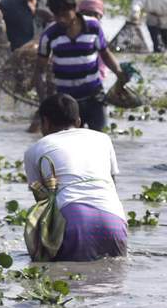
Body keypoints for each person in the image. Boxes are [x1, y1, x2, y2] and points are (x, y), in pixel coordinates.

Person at [22, 92, 128, 261]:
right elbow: (112, 185)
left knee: (67, 280)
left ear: (45, 123)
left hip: (74, 219)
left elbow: (43, 202)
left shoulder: (34, 150)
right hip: (114, 219)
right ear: (78, 121)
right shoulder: (103, 139)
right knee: (113, 279)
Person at [38, 0, 122, 132]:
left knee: (99, 137)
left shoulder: (93, 26)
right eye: (57, 15)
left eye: (65, 14)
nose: (61, 19)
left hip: (94, 96)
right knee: (70, 142)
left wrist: (119, 73)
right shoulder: (49, 34)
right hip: (66, 102)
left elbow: (105, 54)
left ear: (75, 8)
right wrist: (44, 101)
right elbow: (39, 71)